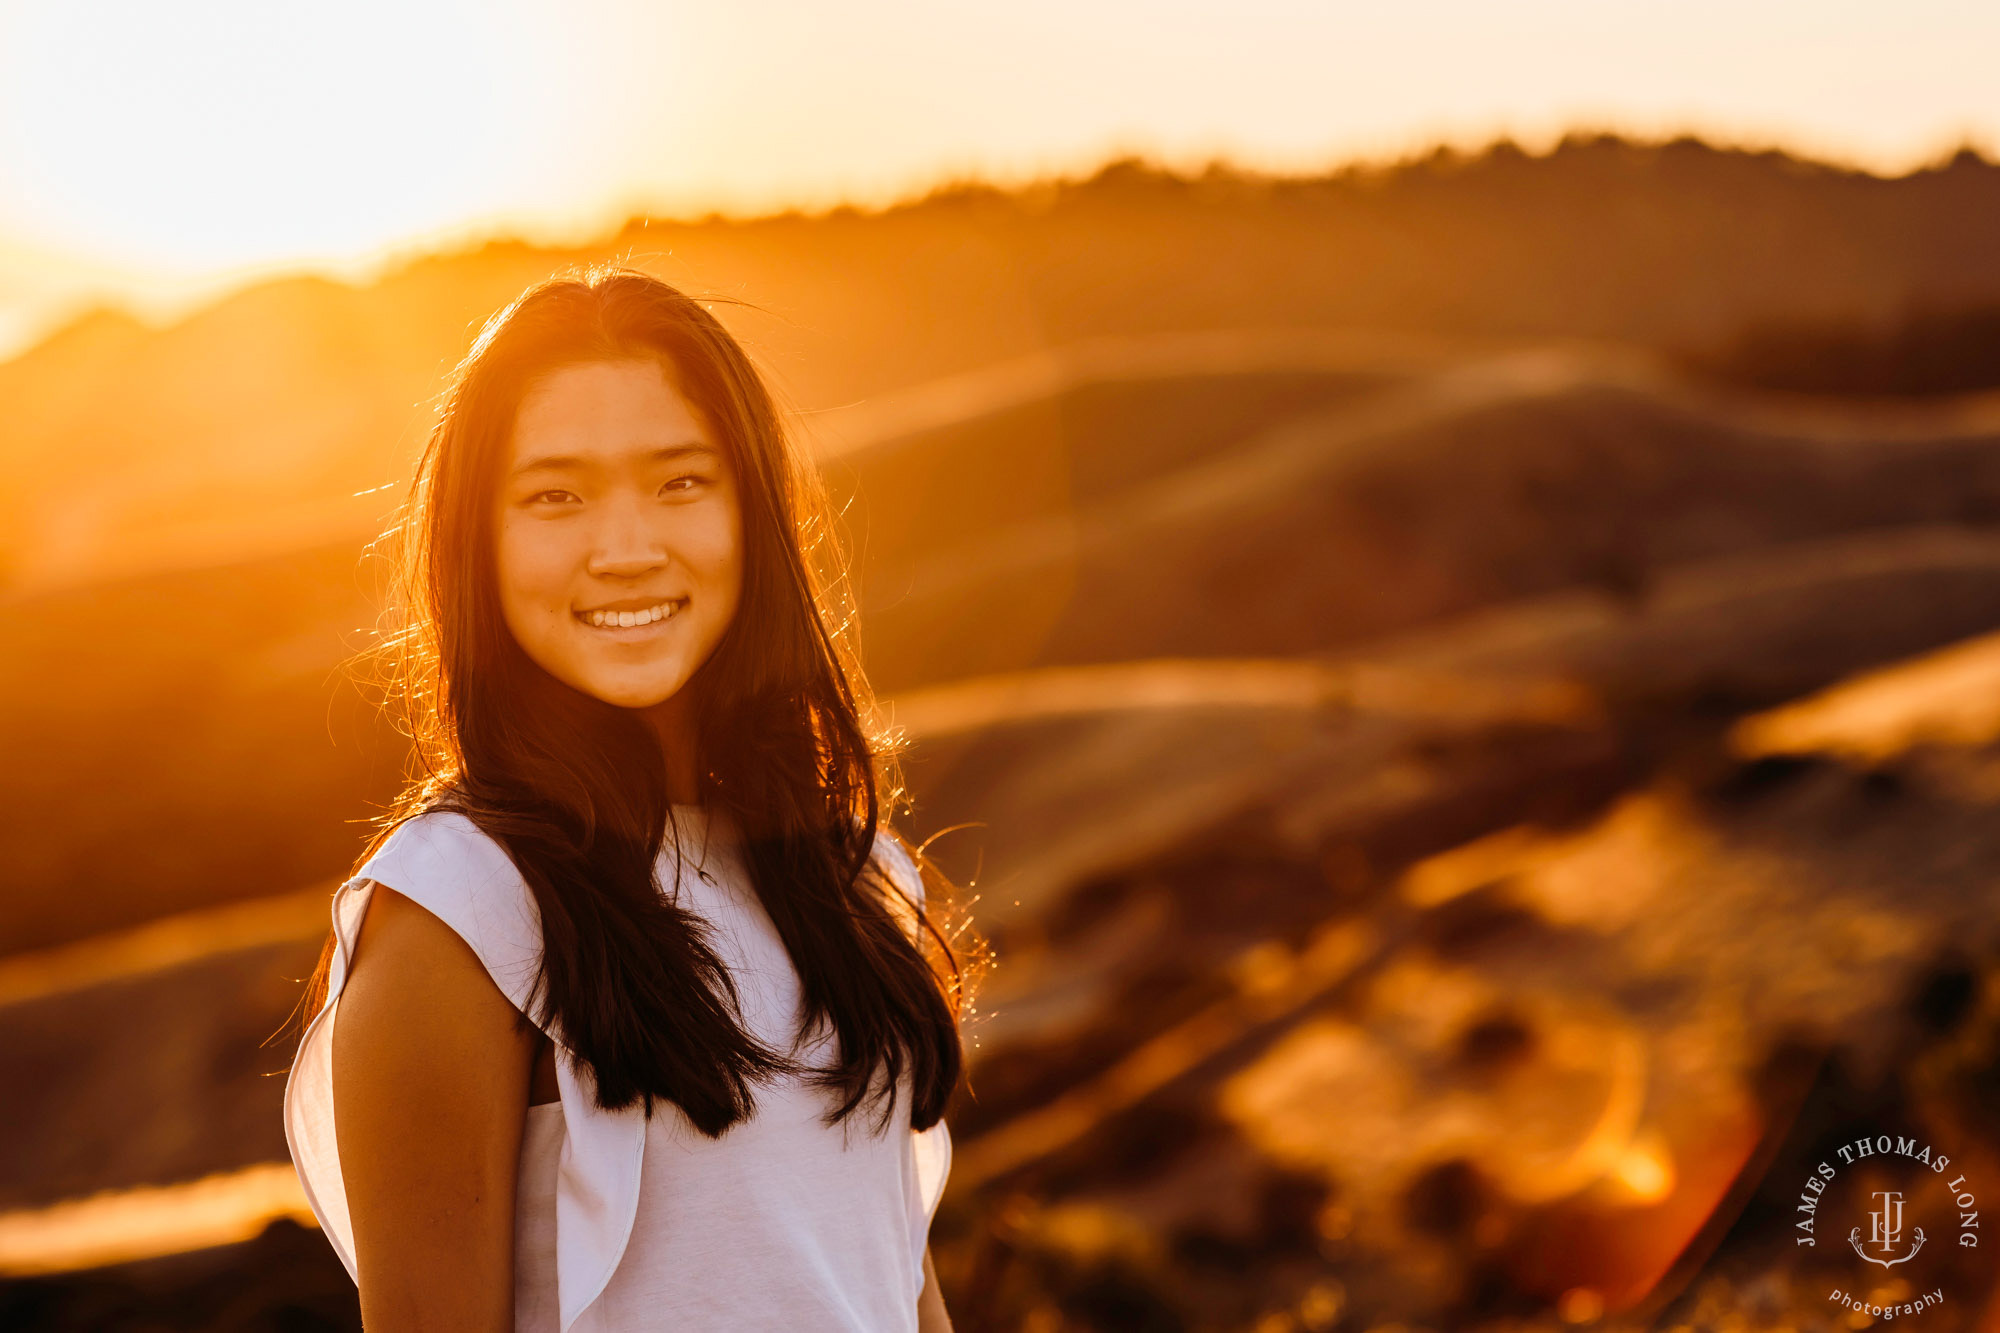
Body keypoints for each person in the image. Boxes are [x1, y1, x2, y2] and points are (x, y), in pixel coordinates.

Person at [282, 265, 979, 1332]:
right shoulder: (455, 908)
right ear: (481, 540)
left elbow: (891, 1290)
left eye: (680, 482)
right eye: (555, 495)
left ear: (753, 515)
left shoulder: (853, 878)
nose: (625, 550)